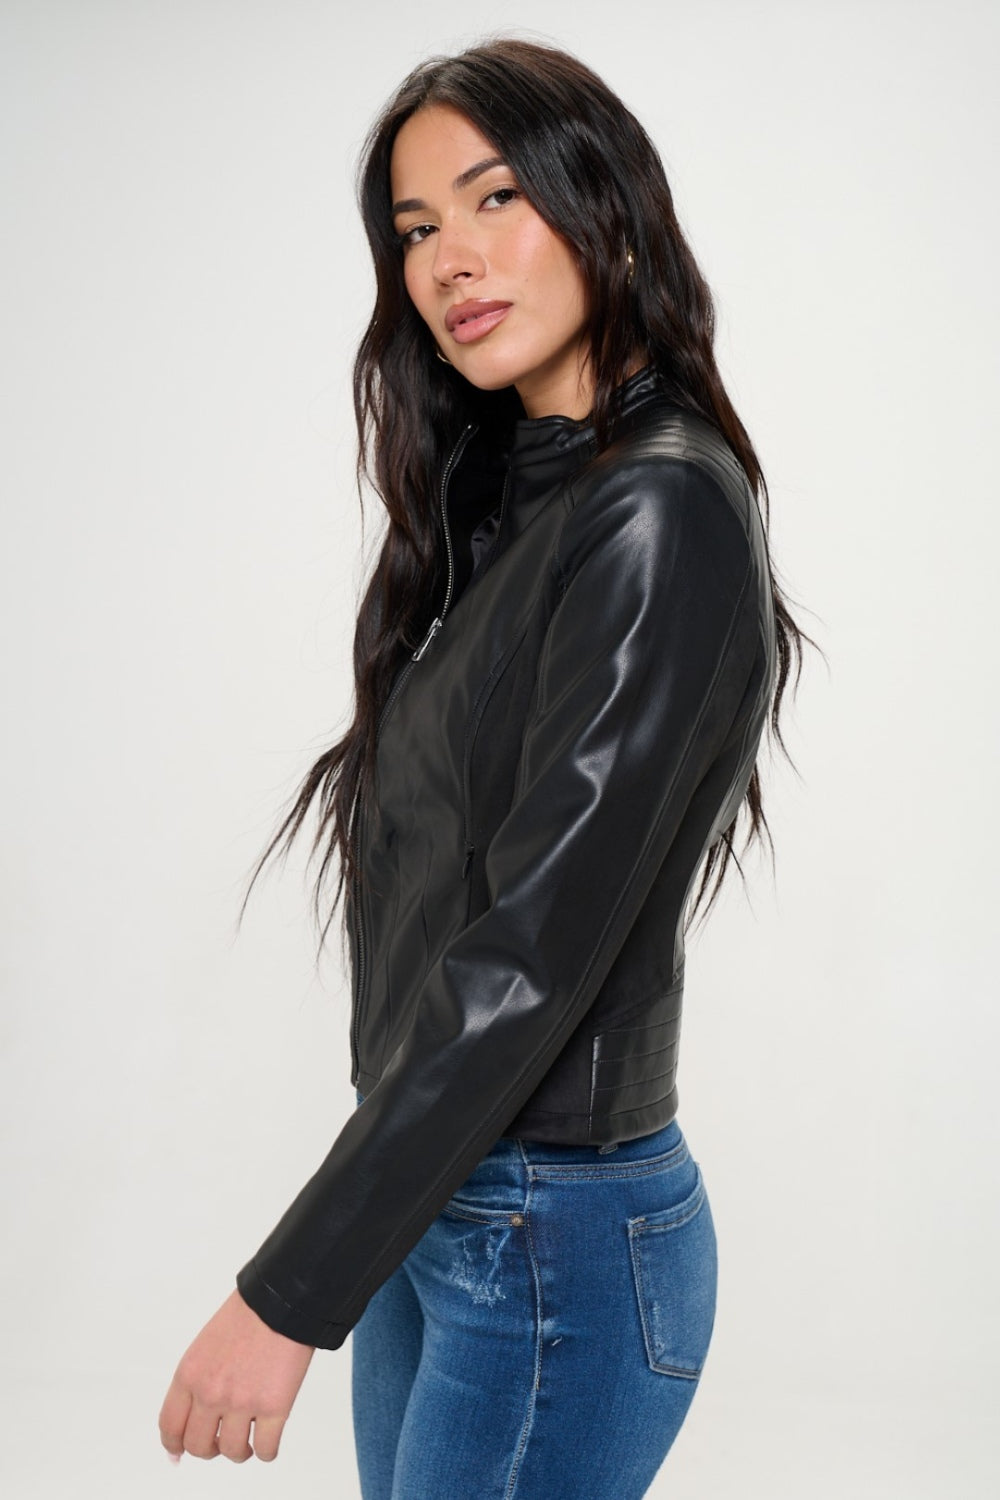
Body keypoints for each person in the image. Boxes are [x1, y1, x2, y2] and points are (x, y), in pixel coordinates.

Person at [158, 37, 809, 1498]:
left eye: (495, 197)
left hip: (546, 1237)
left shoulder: (656, 514)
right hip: (452, 1206)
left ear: (607, 212)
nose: (450, 258)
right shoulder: (518, 510)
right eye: (415, 230)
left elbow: (532, 950)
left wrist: (287, 1293)